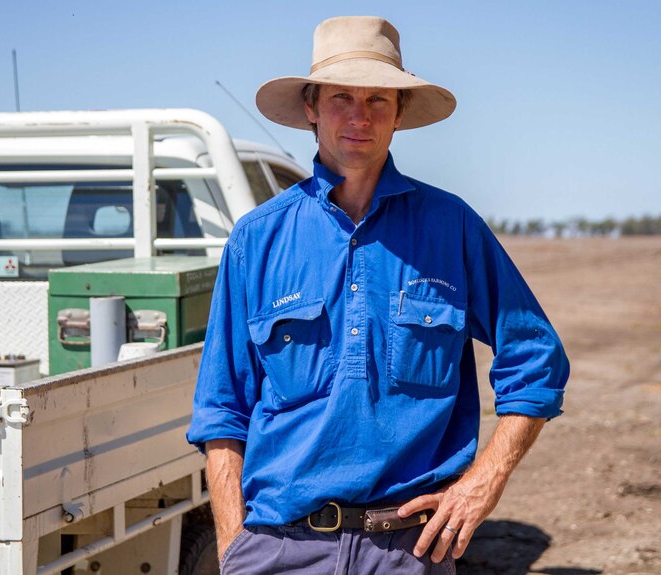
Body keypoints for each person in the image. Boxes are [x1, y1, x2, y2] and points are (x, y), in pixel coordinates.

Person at [187, 15, 569, 574]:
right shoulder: (258, 239)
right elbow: (222, 411)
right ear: (312, 107)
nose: (359, 117)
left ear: (400, 114)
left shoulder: (452, 227)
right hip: (280, 549)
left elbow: (535, 359)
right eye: (342, 97)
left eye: (378, 100)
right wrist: (232, 549)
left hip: (409, 552)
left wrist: (482, 483)